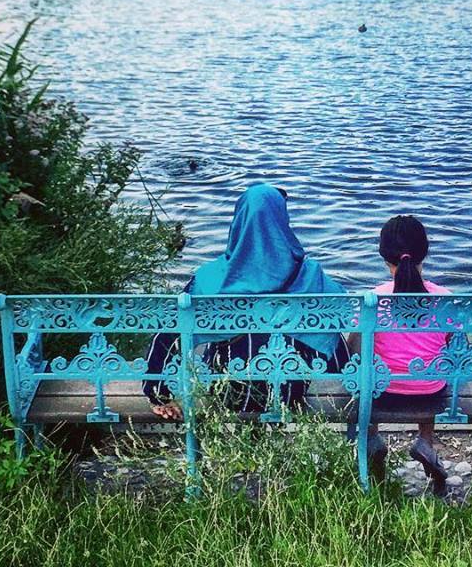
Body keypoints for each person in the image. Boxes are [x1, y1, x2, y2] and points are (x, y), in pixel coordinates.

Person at [143, 183, 349, 418]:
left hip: (229, 391)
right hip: (288, 392)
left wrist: (157, 394)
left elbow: (169, 332)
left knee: (219, 342)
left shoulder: (210, 278)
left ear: (238, 221)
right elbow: (333, 337)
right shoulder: (311, 276)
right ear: (283, 221)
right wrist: (349, 384)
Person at [350, 214, 451, 495]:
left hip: (382, 391)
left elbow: (355, 348)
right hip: (430, 392)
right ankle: (425, 441)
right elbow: (449, 341)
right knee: (430, 367)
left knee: (366, 373)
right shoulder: (443, 296)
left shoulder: (373, 299)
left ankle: (372, 440)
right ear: (424, 253)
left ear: (385, 257)